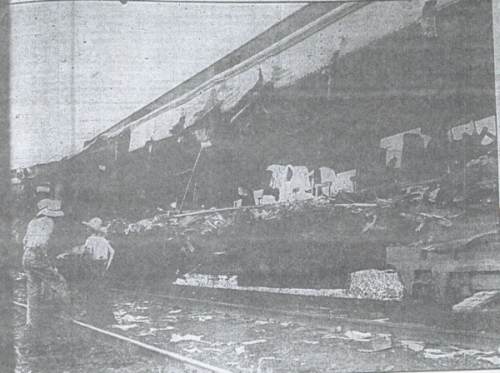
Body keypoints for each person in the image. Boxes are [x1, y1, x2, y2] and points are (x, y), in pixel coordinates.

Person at [22, 198, 70, 329]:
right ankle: (65, 317)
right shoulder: (48, 222)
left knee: (33, 289)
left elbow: (24, 241)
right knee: (59, 283)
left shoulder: (32, 222)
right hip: (38, 257)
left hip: (26, 256)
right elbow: (42, 243)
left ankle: (31, 322)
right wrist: (46, 260)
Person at [75, 217, 116, 325]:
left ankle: (91, 315)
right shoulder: (104, 240)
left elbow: (87, 253)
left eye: (88, 228)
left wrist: (83, 263)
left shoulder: (90, 239)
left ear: (91, 230)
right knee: (101, 290)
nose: (86, 230)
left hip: (92, 266)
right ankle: (105, 316)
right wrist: (107, 265)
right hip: (101, 266)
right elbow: (112, 252)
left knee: (90, 290)